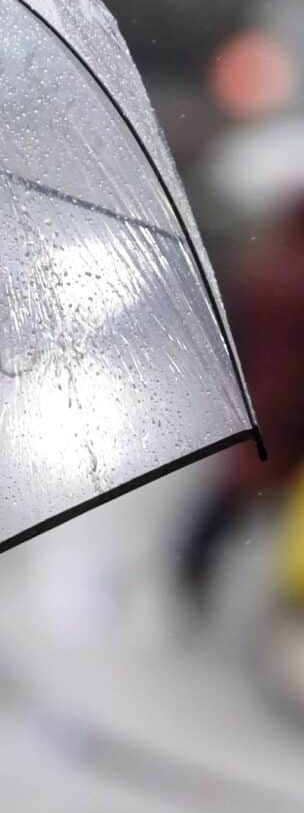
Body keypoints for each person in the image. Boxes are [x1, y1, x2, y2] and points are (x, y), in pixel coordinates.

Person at [176, 195, 304, 616]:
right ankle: (273, 598)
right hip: (288, 408)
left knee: (231, 495)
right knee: (267, 506)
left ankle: (192, 577)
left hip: (260, 402)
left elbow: (230, 334)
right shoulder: (282, 274)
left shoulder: (263, 266)